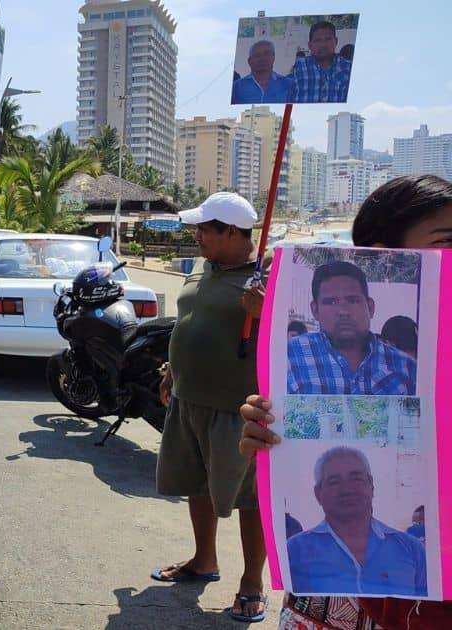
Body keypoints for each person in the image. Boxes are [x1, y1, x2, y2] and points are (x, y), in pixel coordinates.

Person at [240, 174, 452, 630]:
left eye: (353, 300)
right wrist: (270, 439)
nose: (343, 309)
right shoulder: (290, 356)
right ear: (382, 252)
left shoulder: (407, 362)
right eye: (447, 242)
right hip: (334, 601)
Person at [151, 192, 269, 623]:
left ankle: (252, 583)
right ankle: (204, 561)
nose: (196, 235)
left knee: (249, 498)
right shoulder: (205, 268)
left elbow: (300, 331)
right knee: (195, 483)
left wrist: (267, 310)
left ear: (233, 233)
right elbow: (188, 320)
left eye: (205, 228)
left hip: (237, 410)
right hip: (187, 399)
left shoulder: (267, 276)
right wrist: (171, 370)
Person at [287, 446, 426, 596]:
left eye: (356, 478)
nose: (347, 489)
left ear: (371, 485)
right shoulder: (295, 551)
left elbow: (427, 612)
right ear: (318, 493)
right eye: (334, 481)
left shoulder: (412, 550)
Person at [286, 261, 416, 395]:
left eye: (352, 300)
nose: (343, 311)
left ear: (370, 307)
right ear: (315, 310)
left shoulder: (406, 367)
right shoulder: (287, 356)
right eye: (331, 302)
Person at [289, 21, 353, 103]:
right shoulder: (300, 66)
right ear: (310, 45)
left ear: (336, 41)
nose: (323, 44)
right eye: (317, 40)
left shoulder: (348, 68)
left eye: (328, 39)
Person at [232, 40, 294, 104]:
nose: (262, 58)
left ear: (273, 57)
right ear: (249, 61)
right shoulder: (236, 88)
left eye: (267, 54)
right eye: (257, 55)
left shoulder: (290, 85)